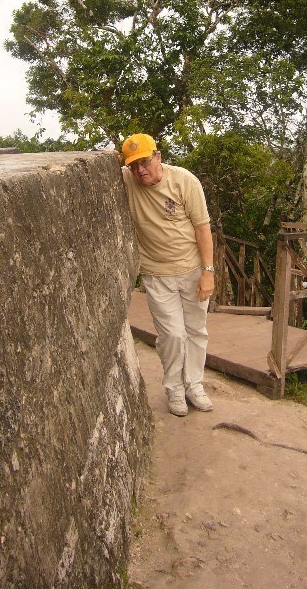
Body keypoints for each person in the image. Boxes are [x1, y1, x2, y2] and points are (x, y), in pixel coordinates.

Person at [120, 133, 215, 417]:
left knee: (196, 331)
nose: (140, 170)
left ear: (158, 157)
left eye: (145, 162)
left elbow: (202, 228)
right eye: (134, 165)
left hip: (192, 269)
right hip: (156, 274)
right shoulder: (129, 181)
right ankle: (174, 388)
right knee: (172, 335)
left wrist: (208, 271)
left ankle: (194, 385)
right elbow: (107, 164)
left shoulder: (185, 181)